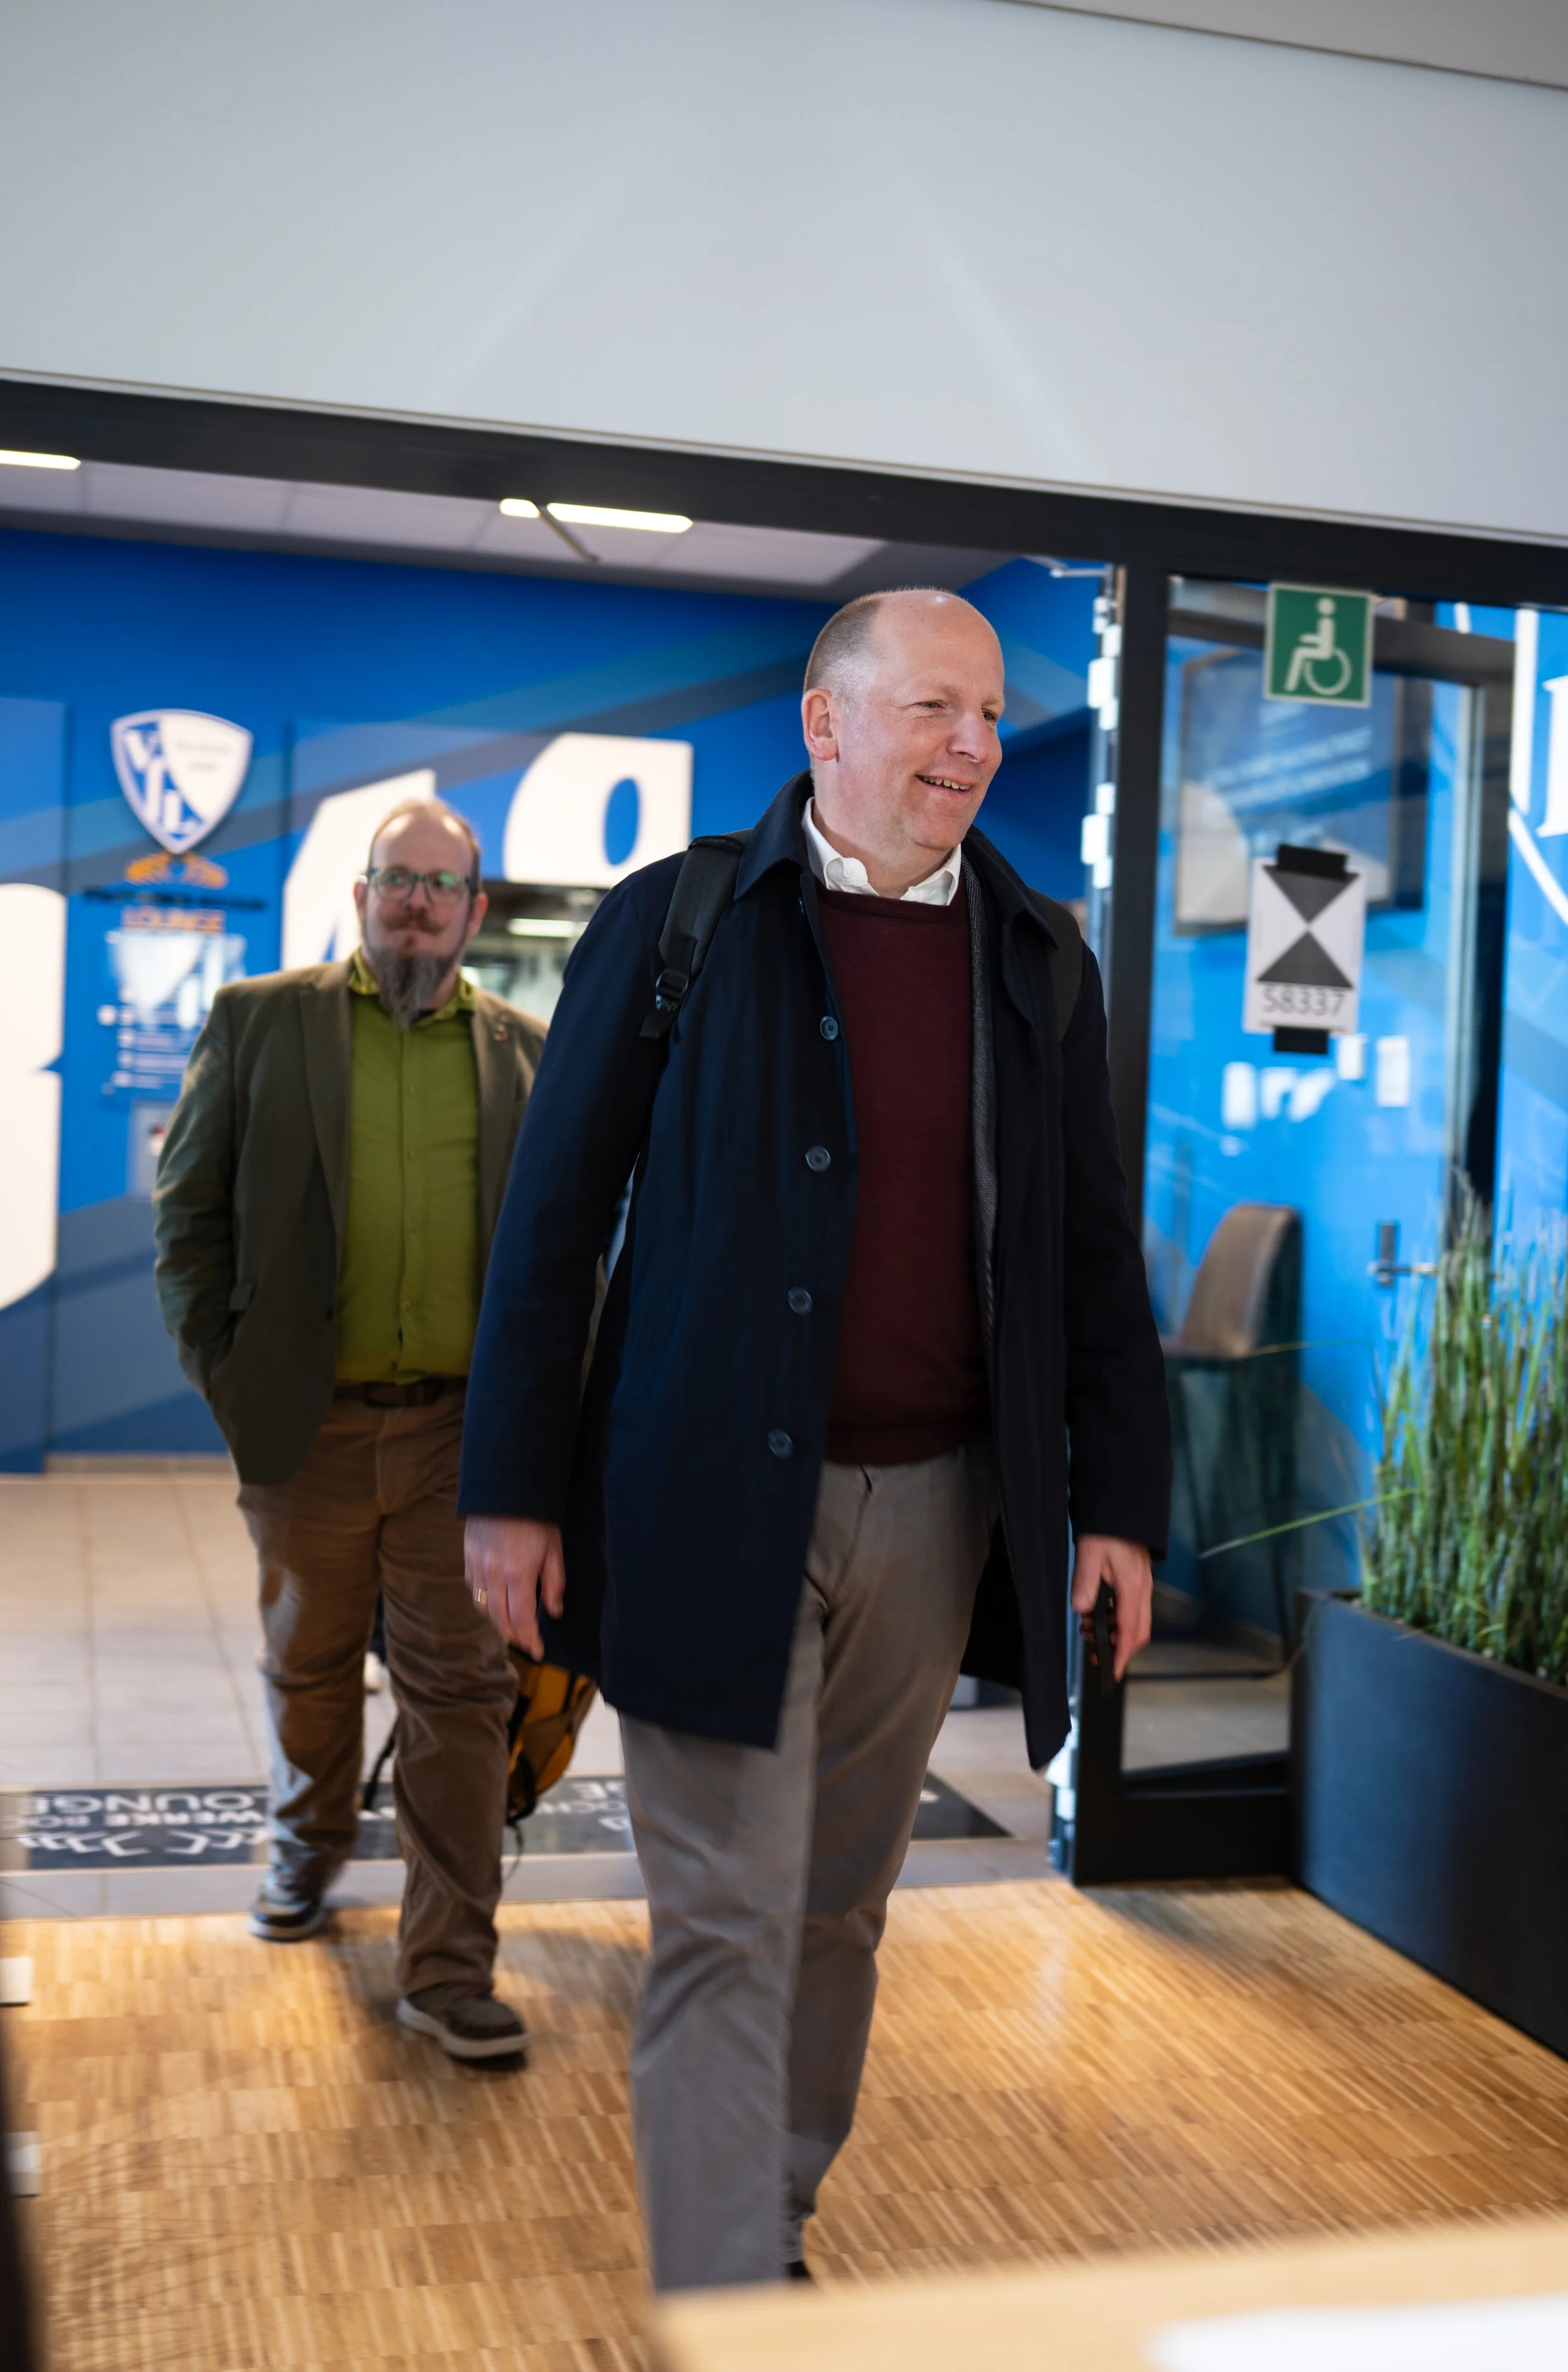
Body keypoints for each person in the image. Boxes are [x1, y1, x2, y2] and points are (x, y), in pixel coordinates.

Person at [460, 590, 1171, 2276]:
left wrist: (1118, 1504)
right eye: (934, 708)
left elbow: (1087, 1254)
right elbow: (551, 1223)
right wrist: (511, 1488)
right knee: (723, 1911)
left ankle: (770, 2203)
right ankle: (721, 2294)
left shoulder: (1037, 953)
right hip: (708, 1496)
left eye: (987, 713)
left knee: (839, 1901)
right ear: (824, 723)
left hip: (935, 1510)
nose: (974, 745)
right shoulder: (682, 918)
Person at [154, 797, 543, 2062]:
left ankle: (448, 1968)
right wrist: (230, 1378)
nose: (418, 901)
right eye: (397, 879)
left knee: (462, 1693)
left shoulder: (528, 1053)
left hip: (462, 1437)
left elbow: (566, 1251)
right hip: (308, 1427)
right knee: (310, 1661)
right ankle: (304, 1849)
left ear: (475, 908)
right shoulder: (261, 1021)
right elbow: (188, 1216)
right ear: (363, 894)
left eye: (442, 884)